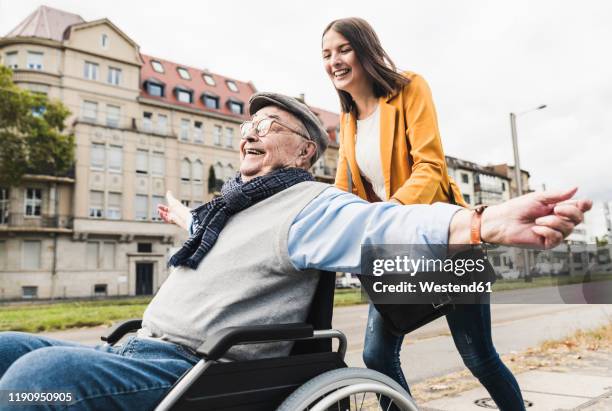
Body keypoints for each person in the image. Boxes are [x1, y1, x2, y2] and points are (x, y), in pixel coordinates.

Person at [0, 92, 590, 411]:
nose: (250, 130)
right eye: (248, 123)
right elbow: (212, 248)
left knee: (38, 379)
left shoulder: (310, 204)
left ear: (306, 151)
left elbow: (381, 223)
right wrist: (186, 218)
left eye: (270, 124)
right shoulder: (227, 209)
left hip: (196, 369)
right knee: (8, 350)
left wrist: (480, 221)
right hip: (137, 348)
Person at [321, 17, 524, 410]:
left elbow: (430, 167)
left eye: (343, 49)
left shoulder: (408, 87)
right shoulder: (347, 120)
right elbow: (343, 188)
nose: (334, 61)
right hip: (395, 253)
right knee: (377, 357)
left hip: (446, 243)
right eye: (327, 55)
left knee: (479, 357)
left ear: (365, 49)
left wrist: (390, 216)